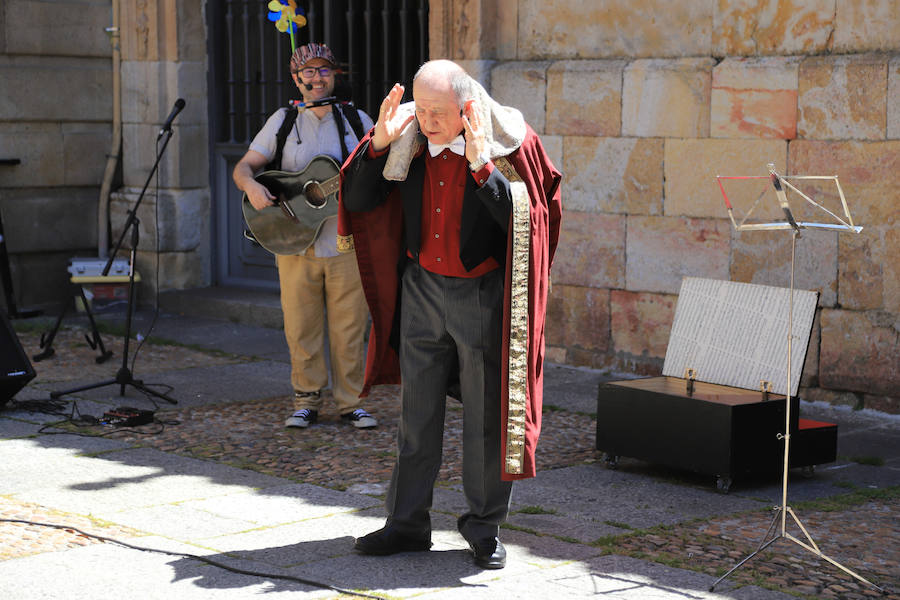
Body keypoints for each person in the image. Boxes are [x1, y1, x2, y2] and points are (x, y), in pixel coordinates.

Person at [338, 60, 562, 569]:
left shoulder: (507, 142)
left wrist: (483, 165)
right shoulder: (405, 140)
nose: (429, 121)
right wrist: (375, 146)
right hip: (420, 291)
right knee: (416, 416)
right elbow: (357, 199)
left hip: (479, 294)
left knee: (486, 419)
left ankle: (483, 530)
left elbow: (526, 226)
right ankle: (406, 524)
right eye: (423, 109)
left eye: (440, 112)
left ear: (466, 107)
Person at [232, 43, 377, 430]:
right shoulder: (282, 121)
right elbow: (245, 166)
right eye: (308, 72)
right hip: (293, 238)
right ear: (297, 79)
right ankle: (306, 399)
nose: (316, 78)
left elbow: (380, 167)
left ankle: (351, 402)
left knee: (349, 327)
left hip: (345, 240)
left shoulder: (357, 120)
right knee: (300, 326)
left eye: (324, 70)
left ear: (335, 75)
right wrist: (251, 187)